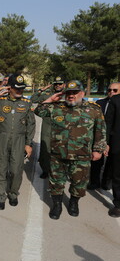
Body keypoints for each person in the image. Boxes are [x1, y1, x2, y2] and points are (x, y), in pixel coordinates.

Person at [35, 80, 106, 220]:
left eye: (75, 92)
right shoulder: (57, 108)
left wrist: (98, 149)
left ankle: (74, 203)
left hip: (82, 155)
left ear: (82, 93)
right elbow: (38, 111)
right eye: (68, 93)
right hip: (58, 154)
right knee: (56, 182)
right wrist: (50, 99)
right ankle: (57, 205)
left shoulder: (94, 109)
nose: (71, 96)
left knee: (79, 183)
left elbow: (100, 131)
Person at [0, 74, 35, 210]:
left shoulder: (26, 103)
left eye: (22, 89)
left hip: (19, 139)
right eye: (16, 88)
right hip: (2, 138)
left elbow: (31, 125)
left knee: (16, 170)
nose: (19, 91)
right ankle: (0, 197)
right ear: (10, 88)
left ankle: (13, 194)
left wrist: (28, 143)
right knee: (0, 169)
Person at [30, 76, 66, 179]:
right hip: (48, 125)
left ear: (64, 85)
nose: (58, 86)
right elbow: (33, 99)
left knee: (62, 148)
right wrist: (41, 90)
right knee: (45, 149)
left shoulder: (67, 95)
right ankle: (45, 169)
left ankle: (60, 170)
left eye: (60, 84)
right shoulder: (47, 95)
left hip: (63, 126)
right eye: (56, 84)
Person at [89, 82, 120, 190]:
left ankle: (106, 182)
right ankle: (94, 181)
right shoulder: (100, 103)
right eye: (109, 90)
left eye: (115, 90)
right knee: (97, 160)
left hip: (114, 137)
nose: (111, 92)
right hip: (99, 135)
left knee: (112, 162)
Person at [105, 91, 120, 217]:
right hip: (118, 144)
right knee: (117, 176)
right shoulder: (115, 100)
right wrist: (106, 143)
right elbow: (108, 122)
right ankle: (118, 205)